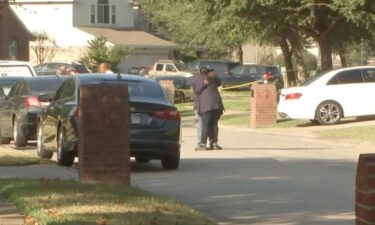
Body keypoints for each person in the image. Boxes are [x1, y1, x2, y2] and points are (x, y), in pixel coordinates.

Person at [189, 66, 224, 150]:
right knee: (214, 125)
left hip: (206, 106)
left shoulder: (197, 79)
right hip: (217, 105)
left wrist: (203, 84)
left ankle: (202, 145)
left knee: (205, 125)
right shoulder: (213, 78)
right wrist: (212, 74)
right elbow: (219, 82)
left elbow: (196, 90)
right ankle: (214, 144)